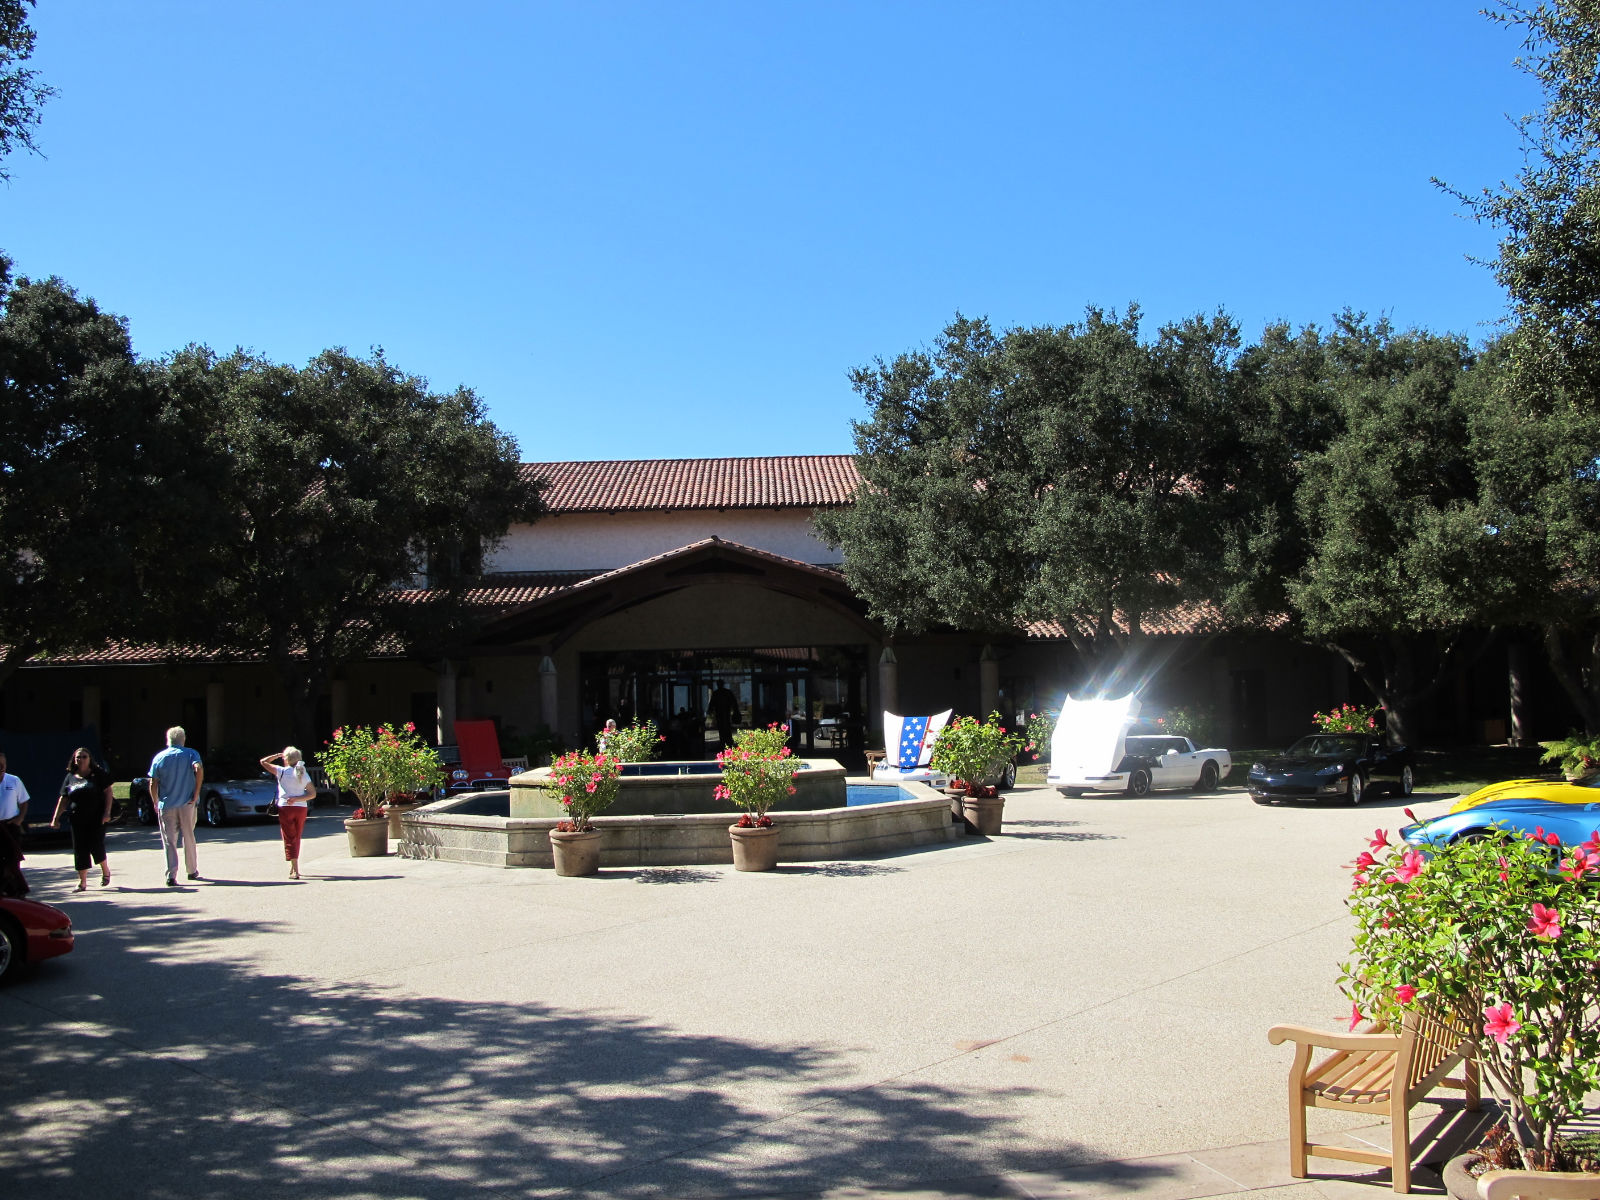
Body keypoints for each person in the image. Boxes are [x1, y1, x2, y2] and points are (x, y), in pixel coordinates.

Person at [51, 748, 114, 891]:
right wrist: (56, 818)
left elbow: (108, 792)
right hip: (77, 818)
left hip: (96, 817)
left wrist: (107, 812)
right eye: (78, 757)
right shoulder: (70, 777)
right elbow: (64, 798)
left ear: (90, 759)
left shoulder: (98, 774)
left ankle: (105, 870)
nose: (81, 759)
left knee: (95, 845)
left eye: (84, 757)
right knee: (80, 849)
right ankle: (82, 882)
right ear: (74, 760)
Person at [148, 726, 203, 887]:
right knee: (189, 836)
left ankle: (171, 874)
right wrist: (196, 792)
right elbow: (198, 768)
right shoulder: (191, 753)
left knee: (169, 840)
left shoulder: (159, 757)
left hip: (167, 804)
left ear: (168, 740)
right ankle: (192, 870)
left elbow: (153, 782)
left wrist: (155, 801)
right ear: (183, 739)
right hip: (187, 802)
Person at [260, 746, 313, 880]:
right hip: (301, 808)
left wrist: (276, 755)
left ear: (286, 759)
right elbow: (312, 794)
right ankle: (294, 866)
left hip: (286, 807)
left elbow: (263, 762)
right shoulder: (302, 772)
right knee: (297, 836)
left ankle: (295, 870)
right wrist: (298, 798)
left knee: (289, 837)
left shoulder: (281, 771)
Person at [0, 749, 29, 897]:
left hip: (10, 825)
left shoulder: (14, 780)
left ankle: (17, 892)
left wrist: (19, 819)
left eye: (3, 764)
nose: (1, 767)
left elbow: (24, 801)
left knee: (13, 860)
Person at [708, 683, 739, 750]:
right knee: (725, 728)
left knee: (723, 728)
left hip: (721, 714)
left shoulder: (717, 693)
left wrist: (710, 711)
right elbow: (734, 702)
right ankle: (727, 742)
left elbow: (712, 704)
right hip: (723, 714)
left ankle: (726, 742)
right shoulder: (726, 692)